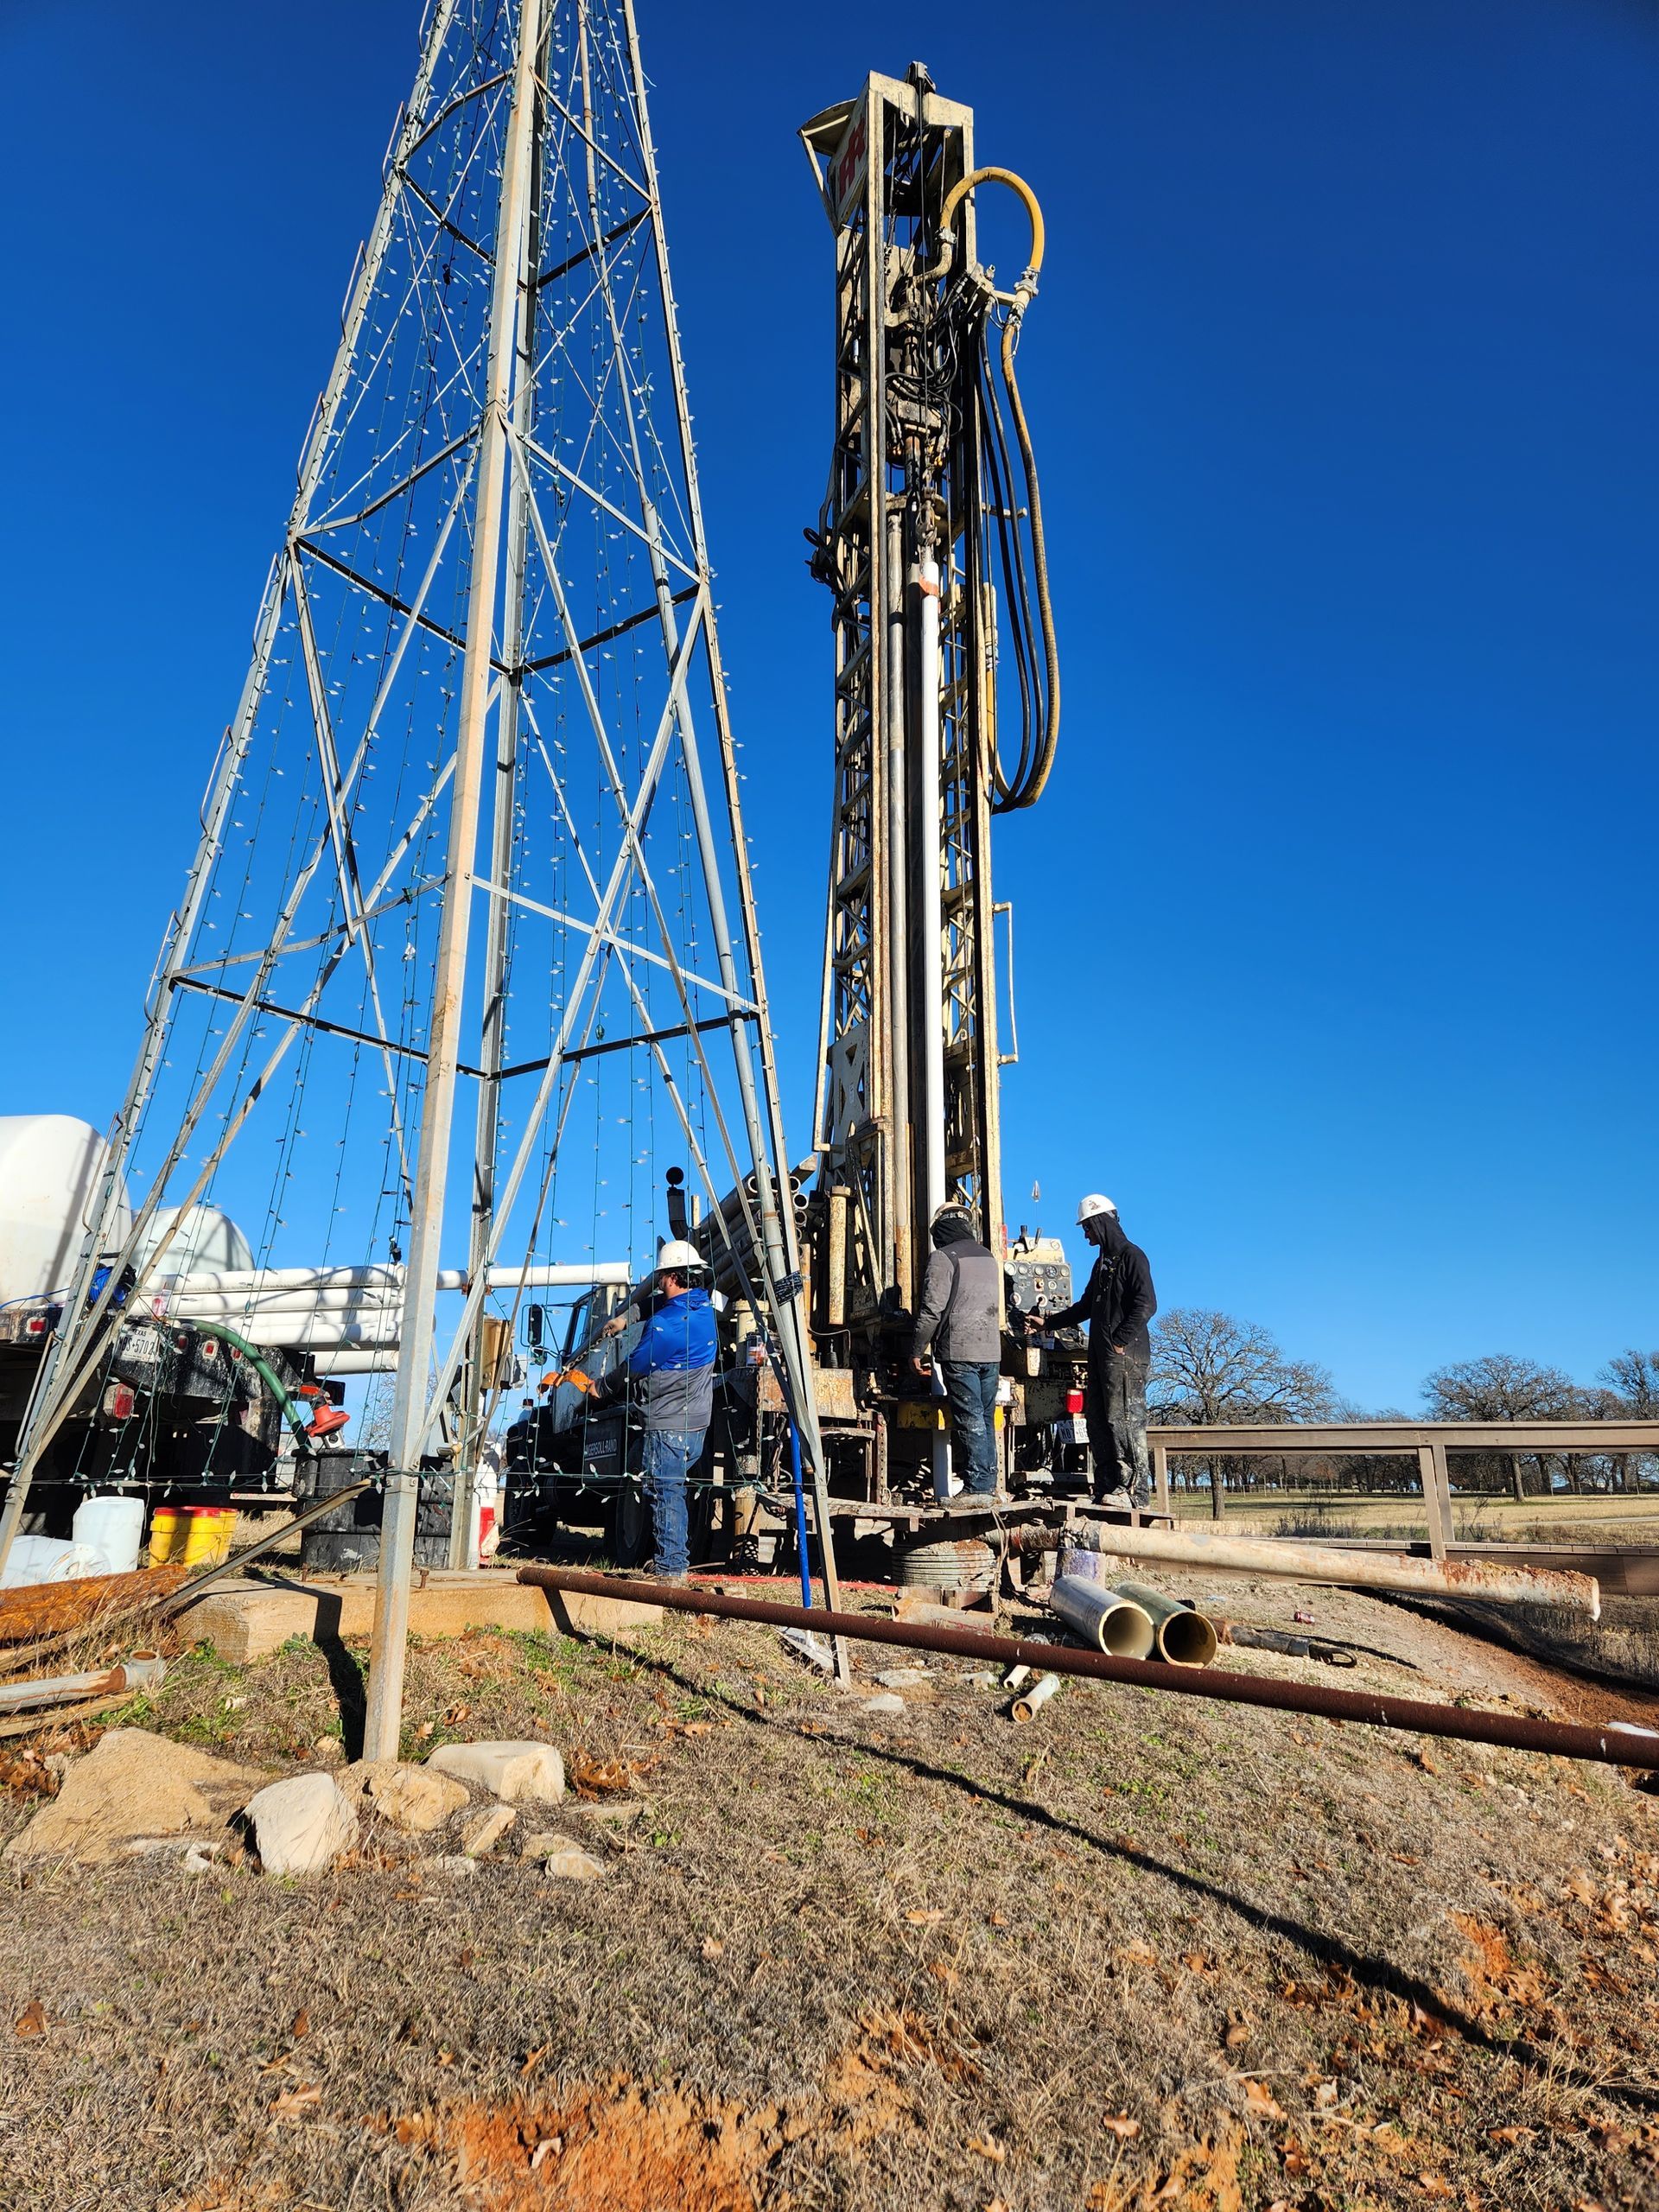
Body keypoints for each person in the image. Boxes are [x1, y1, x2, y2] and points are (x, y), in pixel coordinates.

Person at [588, 1239, 717, 1581]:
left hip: (668, 1422)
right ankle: (674, 1560)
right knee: (673, 1488)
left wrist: (601, 1387)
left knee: (664, 1491)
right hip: (696, 1423)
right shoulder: (703, 1310)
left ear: (671, 1277)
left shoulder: (665, 1328)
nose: (658, 1282)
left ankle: (672, 1568)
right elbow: (661, 1303)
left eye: (661, 1277)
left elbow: (634, 1366)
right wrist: (625, 1318)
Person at [1031, 1194, 1156, 1509]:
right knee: (1099, 1419)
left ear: (1100, 1223)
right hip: (1102, 1356)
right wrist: (1048, 1323)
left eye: (1087, 1228)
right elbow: (1085, 1307)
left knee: (1124, 1419)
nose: (1085, 1234)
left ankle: (1133, 1492)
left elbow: (1146, 1304)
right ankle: (1108, 1485)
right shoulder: (1102, 1264)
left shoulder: (1132, 1256)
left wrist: (1120, 1340)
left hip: (1124, 1356)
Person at [910, 1201, 1004, 1497]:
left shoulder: (943, 1258)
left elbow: (931, 1311)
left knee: (970, 1417)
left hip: (960, 1351)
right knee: (986, 1418)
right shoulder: (988, 1257)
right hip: (991, 1353)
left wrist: (916, 1349)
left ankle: (977, 1488)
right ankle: (988, 1484)